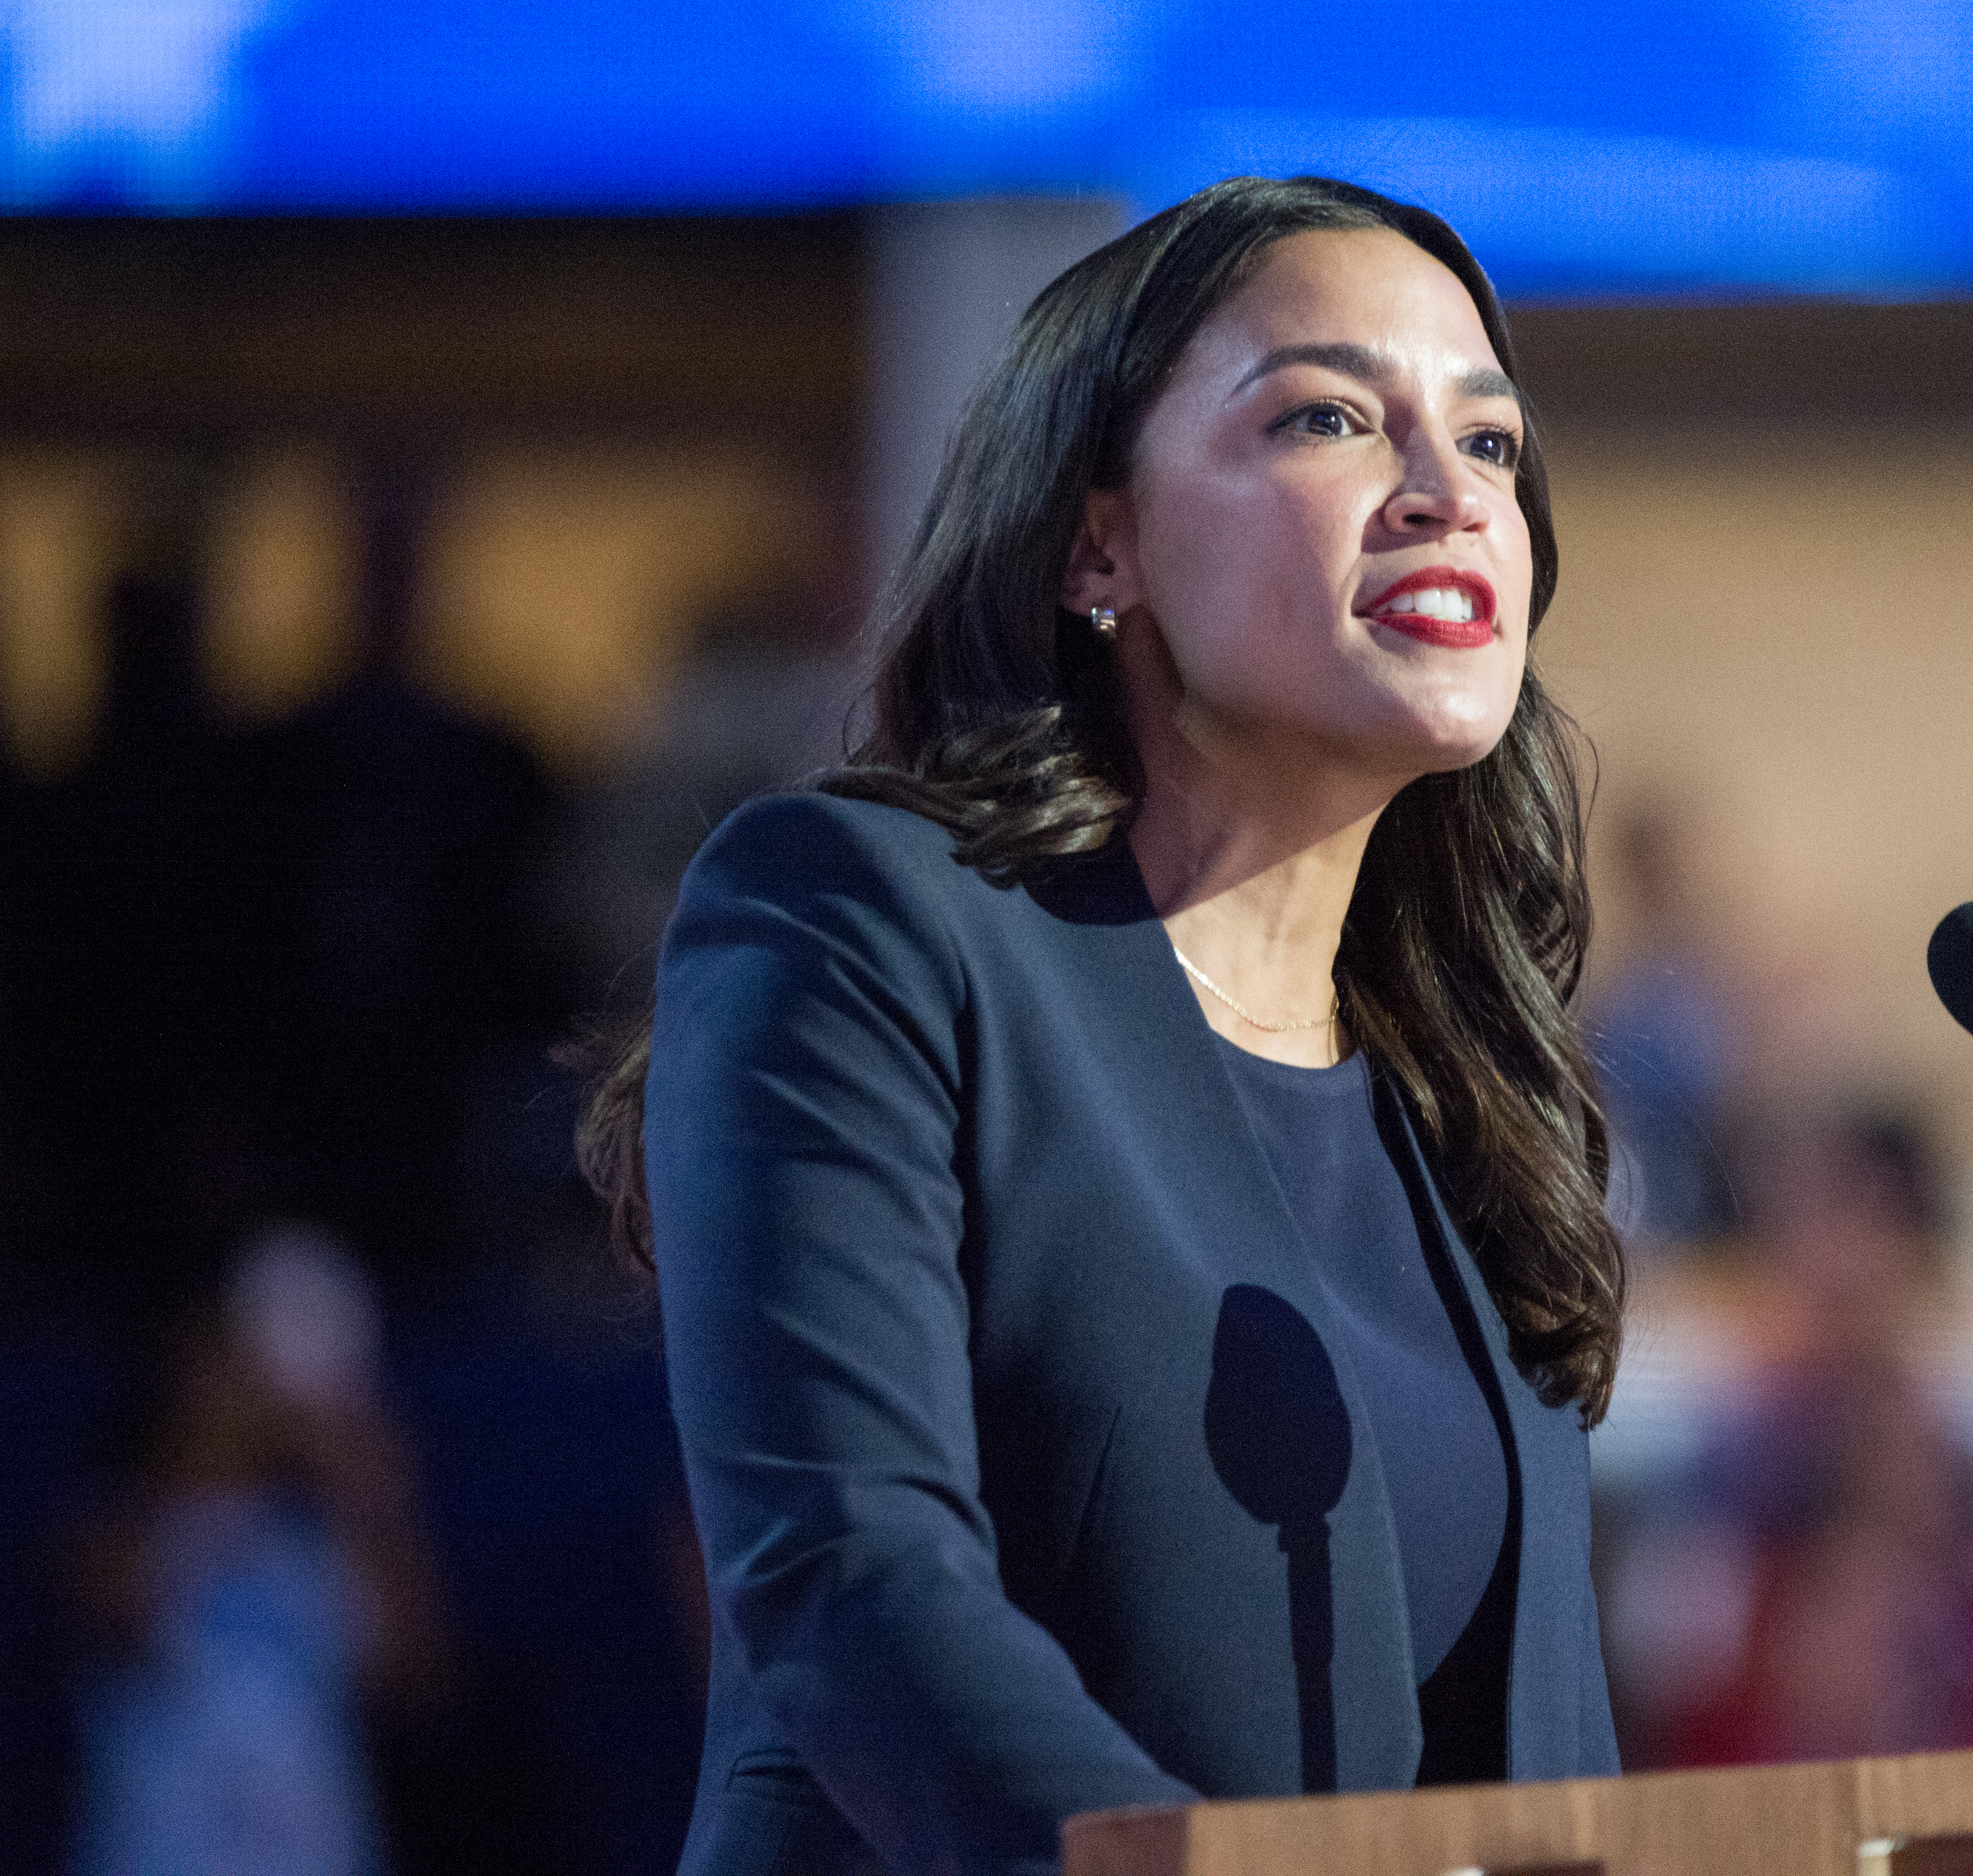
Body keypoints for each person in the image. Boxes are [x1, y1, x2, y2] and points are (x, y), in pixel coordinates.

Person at [575, 176, 1625, 1875]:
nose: (1449, 494)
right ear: (1098, 542)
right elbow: (855, 1588)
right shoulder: (860, 919)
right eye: (1332, 418)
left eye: (1493, 446)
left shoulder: (1474, 1093)